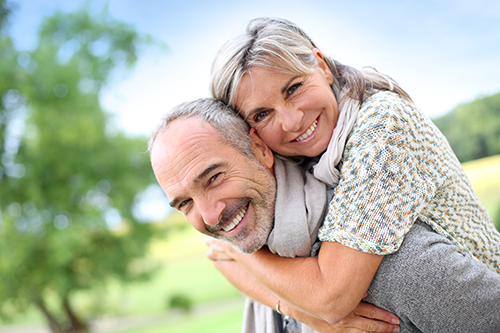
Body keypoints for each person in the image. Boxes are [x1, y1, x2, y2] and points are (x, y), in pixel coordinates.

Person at [206, 17, 500, 331]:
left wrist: (242, 250)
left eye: (293, 88)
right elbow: (216, 255)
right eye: (263, 114)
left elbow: (330, 297)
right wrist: (299, 309)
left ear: (321, 65)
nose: (291, 121)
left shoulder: (384, 126)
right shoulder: (289, 162)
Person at [149, 98, 500, 333]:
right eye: (185, 203)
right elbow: (220, 255)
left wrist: (317, 309)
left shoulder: (392, 260)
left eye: (214, 177)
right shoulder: (264, 244)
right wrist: (305, 312)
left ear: (259, 149)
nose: (209, 216)